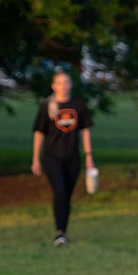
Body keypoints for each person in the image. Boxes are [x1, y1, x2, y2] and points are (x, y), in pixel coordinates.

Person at [31, 70, 95, 246]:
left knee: (66, 194)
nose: (63, 86)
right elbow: (39, 133)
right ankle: (59, 233)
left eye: (66, 82)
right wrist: (35, 158)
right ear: (54, 86)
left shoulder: (78, 106)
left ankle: (63, 231)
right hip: (52, 157)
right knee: (59, 191)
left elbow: (85, 131)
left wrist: (89, 156)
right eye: (59, 82)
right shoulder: (46, 107)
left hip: (72, 157)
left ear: (71, 85)